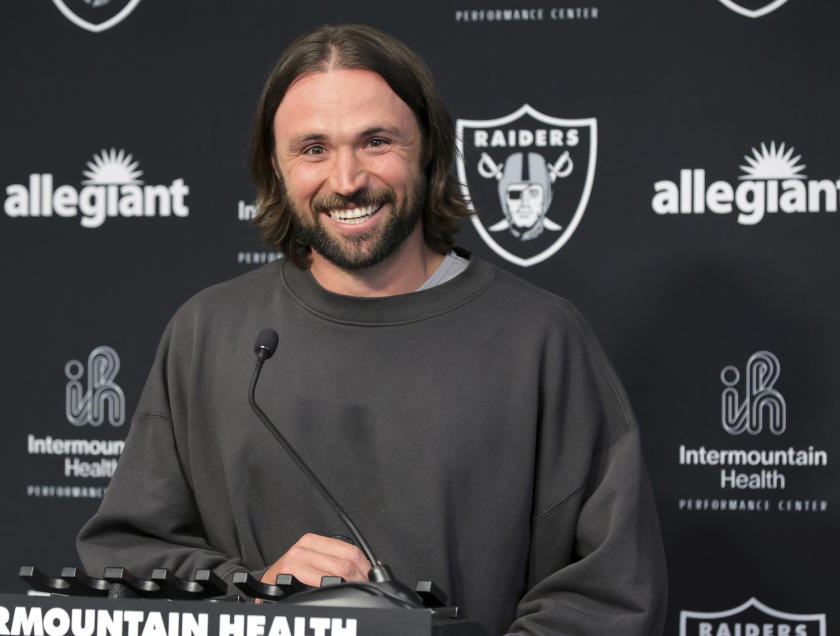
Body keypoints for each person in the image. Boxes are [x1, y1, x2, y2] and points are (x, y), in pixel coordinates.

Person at [77, 22, 668, 635]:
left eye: (377, 141)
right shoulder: (208, 334)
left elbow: (609, 596)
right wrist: (248, 598)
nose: (347, 179)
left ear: (430, 150)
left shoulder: (542, 339)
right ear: (275, 169)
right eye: (313, 149)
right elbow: (127, 562)